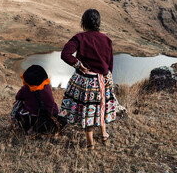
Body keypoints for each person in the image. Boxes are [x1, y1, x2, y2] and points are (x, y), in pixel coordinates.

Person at [59, 9, 116, 149]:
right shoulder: (107, 39)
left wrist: (78, 65)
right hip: (103, 79)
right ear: (98, 22)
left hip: (86, 81)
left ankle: (90, 144)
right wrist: (108, 79)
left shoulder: (80, 37)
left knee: (89, 110)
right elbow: (110, 63)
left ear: (83, 22)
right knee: (101, 106)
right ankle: (104, 134)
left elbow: (65, 54)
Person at [11, 65, 63, 135]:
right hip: (47, 120)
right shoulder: (47, 87)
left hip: (30, 120)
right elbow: (51, 108)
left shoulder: (25, 89)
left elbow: (18, 97)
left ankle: (28, 128)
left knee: (18, 103)